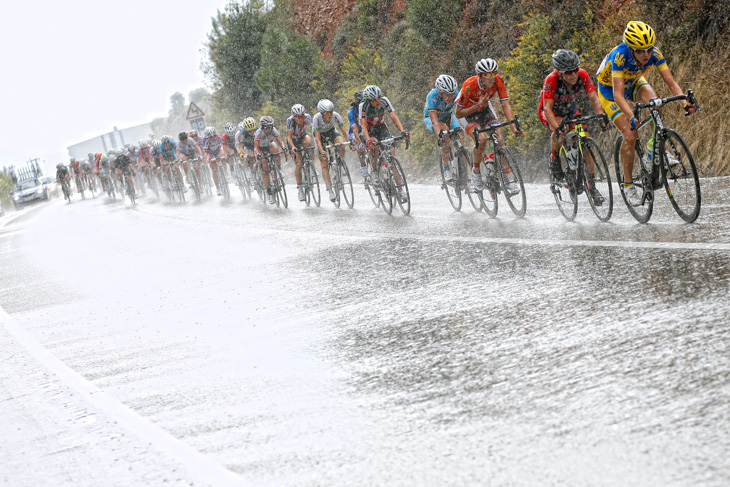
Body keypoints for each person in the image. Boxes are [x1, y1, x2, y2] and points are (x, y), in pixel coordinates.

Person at [596, 20, 696, 206]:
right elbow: (618, 95)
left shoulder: (655, 54)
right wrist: (632, 117)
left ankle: (654, 148)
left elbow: (672, 83)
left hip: (633, 82)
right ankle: (628, 185)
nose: (646, 54)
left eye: (649, 49)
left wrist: (684, 103)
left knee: (656, 103)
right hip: (610, 91)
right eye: (640, 51)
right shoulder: (619, 56)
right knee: (630, 134)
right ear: (630, 48)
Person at [539, 49, 609, 204]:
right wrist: (557, 128)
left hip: (569, 108)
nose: (573, 75)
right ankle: (554, 157)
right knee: (562, 132)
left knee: (586, 140)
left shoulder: (582, 75)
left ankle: (592, 187)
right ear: (560, 72)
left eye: (575, 70)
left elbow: (594, 98)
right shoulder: (551, 80)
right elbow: (548, 109)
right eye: (568, 72)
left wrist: (600, 116)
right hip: (551, 110)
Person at [454, 58, 523, 195]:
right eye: (487, 75)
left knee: (499, 139)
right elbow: (458, 113)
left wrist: (513, 126)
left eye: (494, 73)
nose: (491, 78)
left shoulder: (498, 80)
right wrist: (477, 106)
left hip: (485, 110)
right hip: (467, 115)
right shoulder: (469, 85)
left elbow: (505, 104)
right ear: (480, 75)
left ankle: (508, 177)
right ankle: (476, 172)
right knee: (482, 140)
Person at [359, 84, 409, 202]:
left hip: (381, 127)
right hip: (369, 130)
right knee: (374, 145)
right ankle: (375, 170)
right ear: (368, 100)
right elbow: (363, 126)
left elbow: (393, 116)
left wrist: (402, 131)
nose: (378, 101)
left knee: (391, 159)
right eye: (374, 99)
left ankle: (400, 190)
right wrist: (368, 140)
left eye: (379, 98)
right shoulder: (363, 105)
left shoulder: (384, 100)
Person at [424, 74, 464, 183]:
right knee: (445, 133)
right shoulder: (432, 96)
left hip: (448, 115)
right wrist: (440, 137)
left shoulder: (455, 94)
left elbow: (463, 109)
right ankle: (446, 167)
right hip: (432, 119)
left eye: (452, 94)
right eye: (447, 95)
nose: (450, 97)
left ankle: (464, 175)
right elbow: (434, 121)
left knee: (460, 137)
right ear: (440, 93)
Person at [312, 99, 350, 203]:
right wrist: (321, 150)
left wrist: (349, 141)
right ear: (322, 113)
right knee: (324, 163)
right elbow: (317, 139)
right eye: (327, 113)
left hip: (331, 131)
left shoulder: (336, 115)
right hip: (320, 136)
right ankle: (330, 190)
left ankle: (338, 163)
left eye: (331, 112)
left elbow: (344, 130)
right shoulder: (316, 118)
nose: (330, 115)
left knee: (341, 144)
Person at [254, 116, 288, 205]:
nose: (270, 129)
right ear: (262, 127)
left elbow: (280, 141)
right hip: (260, 149)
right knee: (265, 169)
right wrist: (258, 155)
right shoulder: (258, 133)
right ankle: (269, 192)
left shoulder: (274, 130)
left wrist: (283, 147)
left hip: (269, 145)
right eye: (267, 127)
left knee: (276, 149)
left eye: (271, 126)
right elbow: (256, 148)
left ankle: (278, 170)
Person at [286, 104, 316, 200]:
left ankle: (312, 164)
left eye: (301, 116)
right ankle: (300, 189)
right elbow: (289, 137)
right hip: (293, 141)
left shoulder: (307, 117)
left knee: (309, 142)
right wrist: (293, 147)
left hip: (302, 136)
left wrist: (317, 143)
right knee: (299, 164)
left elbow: (314, 131)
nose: (300, 118)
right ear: (294, 116)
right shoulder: (290, 121)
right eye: (297, 117)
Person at [347, 90, 368, 178]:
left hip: (365, 126)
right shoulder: (351, 112)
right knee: (359, 143)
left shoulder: (368, 107)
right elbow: (355, 129)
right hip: (355, 130)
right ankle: (363, 165)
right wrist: (360, 142)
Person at [203, 127, 226, 196]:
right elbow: (205, 152)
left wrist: (225, 154)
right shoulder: (206, 140)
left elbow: (224, 145)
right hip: (211, 152)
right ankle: (218, 188)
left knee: (223, 155)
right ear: (208, 137)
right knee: (214, 169)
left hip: (218, 150)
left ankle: (224, 170)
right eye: (211, 137)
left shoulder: (219, 136)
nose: (213, 138)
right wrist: (206, 158)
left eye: (214, 135)